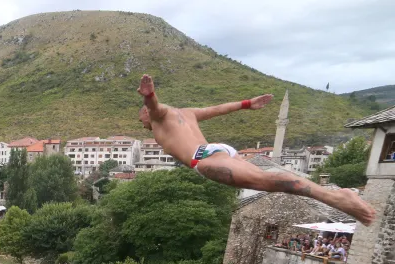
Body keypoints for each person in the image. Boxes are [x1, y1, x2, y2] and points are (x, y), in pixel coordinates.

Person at [136, 74, 376, 226]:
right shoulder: (187, 112)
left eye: (141, 118)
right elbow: (218, 108)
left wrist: (150, 97)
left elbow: (155, 109)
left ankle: (336, 198)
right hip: (219, 151)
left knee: (267, 181)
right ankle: (334, 195)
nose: (142, 124)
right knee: (265, 180)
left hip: (204, 159)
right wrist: (247, 104)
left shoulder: (158, 118)